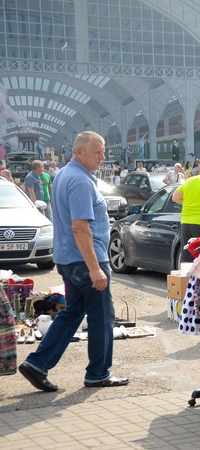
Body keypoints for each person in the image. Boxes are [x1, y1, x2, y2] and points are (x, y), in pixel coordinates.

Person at [19, 131, 129, 392]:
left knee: (72, 313)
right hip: (86, 260)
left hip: (69, 258)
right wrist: (95, 269)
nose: (103, 157)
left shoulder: (66, 175)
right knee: (102, 316)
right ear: (80, 152)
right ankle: (98, 373)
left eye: (103, 151)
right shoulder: (80, 181)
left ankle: (37, 363)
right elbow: (80, 227)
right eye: (98, 151)